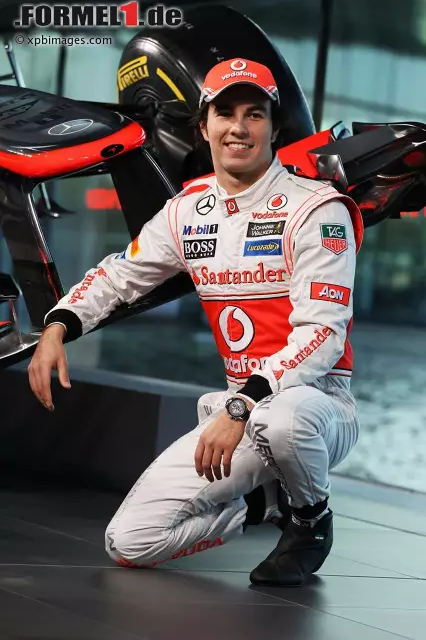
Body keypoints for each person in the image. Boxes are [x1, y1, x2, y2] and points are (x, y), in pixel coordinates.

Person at [28, 57, 364, 587]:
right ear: (203, 127)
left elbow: (323, 334)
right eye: (225, 114)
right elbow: (121, 274)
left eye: (255, 115)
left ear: (274, 128)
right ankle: (259, 506)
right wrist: (58, 326)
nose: (239, 128)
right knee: (130, 542)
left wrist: (242, 404)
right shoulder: (189, 209)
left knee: (283, 421)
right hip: (240, 411)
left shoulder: (318, 210)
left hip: (317, 408)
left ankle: (309, 519)